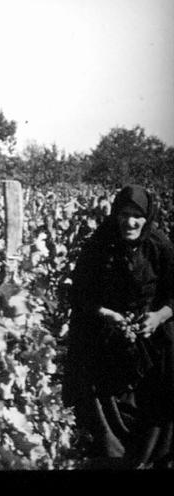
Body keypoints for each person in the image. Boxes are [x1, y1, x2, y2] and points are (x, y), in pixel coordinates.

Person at [63, 184, 174, 468]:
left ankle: (156, 449)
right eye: (124, 214)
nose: (130, 222)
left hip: (150, 325)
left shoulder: (159, 245)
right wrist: (108, 314)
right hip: (108, 323)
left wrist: (159, 317)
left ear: (147, 217)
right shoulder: (98, 245)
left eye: (137, 216)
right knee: (88, 350)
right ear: (115, 215)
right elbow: (80, 295)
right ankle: (109, 447)